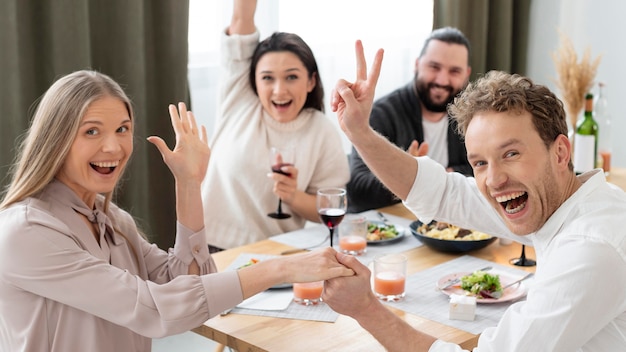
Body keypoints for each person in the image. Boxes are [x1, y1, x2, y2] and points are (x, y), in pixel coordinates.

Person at [0, 70, 354, 352]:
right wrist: (282, 268)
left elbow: (189, 287)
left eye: (123, 129)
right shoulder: (27, 232)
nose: (113, 146)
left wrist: (188, 184)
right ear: (56, 138)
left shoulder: (113, 221)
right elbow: (154, 309)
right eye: (91, 131)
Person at [323, 41, 626, 351]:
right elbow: (441, 192)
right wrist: (359, 132)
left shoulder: (589, 249)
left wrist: (365, 309)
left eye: (511, 153)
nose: (493, 180)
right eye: (479, 163)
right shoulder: (569, 203)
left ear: (560, 152)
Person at [202, 0, 350, 251]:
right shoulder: (239, 98)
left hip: (276, 254)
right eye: (267, 78)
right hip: (211, 248)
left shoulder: (322, 130)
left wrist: (293, 196)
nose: (279, 90)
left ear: (311, 81)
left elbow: (328, 209)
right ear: (254, 82)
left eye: (292, 77)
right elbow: (240, 18)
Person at [347, 27, 473, 213]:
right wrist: (408, 174)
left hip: (448, 225)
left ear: (466, 74)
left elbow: (482, 169)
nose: (442, 80)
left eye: (454, 71)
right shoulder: (381, 113)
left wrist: (441, 177)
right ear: (417, 64)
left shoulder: (470, 117)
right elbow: (358, 189)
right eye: (434, 67)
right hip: (390, 231)